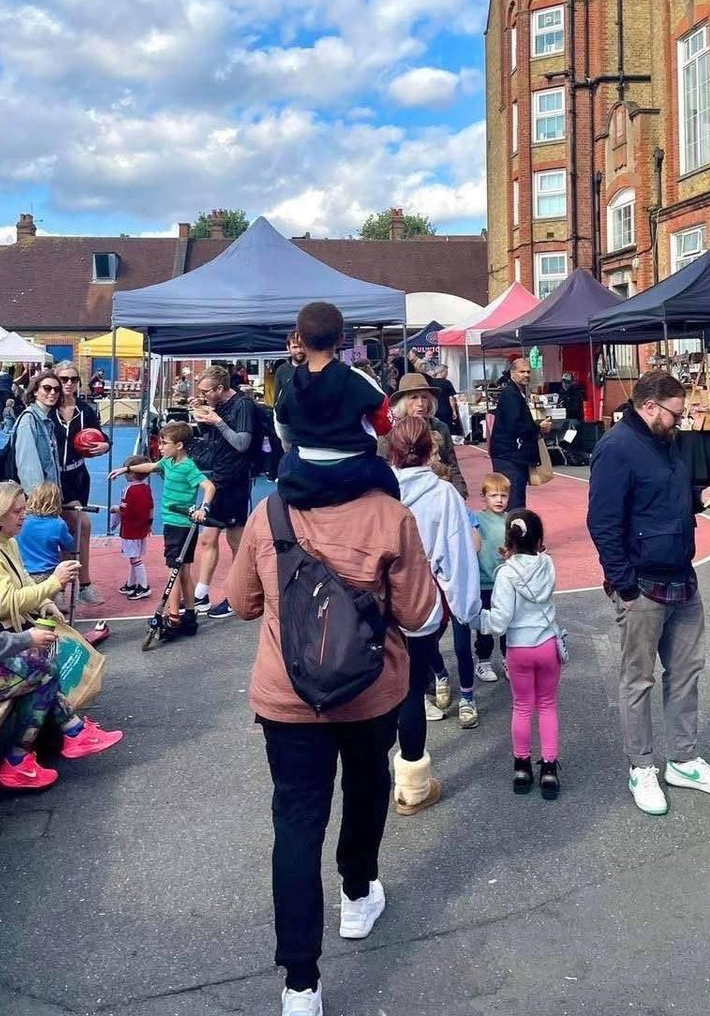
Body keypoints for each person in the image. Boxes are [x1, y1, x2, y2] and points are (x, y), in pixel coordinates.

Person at [226, 440, 440, 1016]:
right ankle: (357, 890)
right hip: (370, 690)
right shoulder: (389, 515)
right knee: (367, 785)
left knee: (295, 824)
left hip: (287, 694)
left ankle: (300, 984)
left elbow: (241, 602)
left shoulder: (269, 513)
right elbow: (421, 614)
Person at [586, 370, 710, 817]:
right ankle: (641, 767)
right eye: (676, 413)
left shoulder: (666, 441)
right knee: (638, 680)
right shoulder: (615, 448)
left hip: (680, 575)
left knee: (687, 672)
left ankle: (684, 760)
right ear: (650, 406)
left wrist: (700, 496)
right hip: (642, 584)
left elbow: (664, 496)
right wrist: (626, 587)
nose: (681, 422)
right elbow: (603, 524)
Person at [0, 496, 121, 792]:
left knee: (38, 664)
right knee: (43, 668)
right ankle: (21, 760)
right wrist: (27, 638)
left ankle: (73, 732)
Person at [391, 417, 481, 745]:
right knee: (413, 688)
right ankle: (413, 774)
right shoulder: (444, 494)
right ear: (430, 451)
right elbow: (458, 556)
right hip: (423, 600)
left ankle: (386, 774)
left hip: (383, 599)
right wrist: (466, 607)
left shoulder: (380, 491)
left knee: (390, 688)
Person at [471, 508, 562, 798]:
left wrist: (475, 617)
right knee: (547, 705)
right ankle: (549, 768)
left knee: (522, 707)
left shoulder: (506, 574)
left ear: (507, 541)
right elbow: (535, 559)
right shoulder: (548, 564)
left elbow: (498, 622)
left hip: (519, 649)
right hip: (548, 644)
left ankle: (521, 766)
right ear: (539, 540)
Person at [273, 304, 398, 510]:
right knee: (394, 491)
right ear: (341, 339)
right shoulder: (360, 380)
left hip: (303, 471)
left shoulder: (289, 384)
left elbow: (282, 429)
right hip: (355, 471)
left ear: (300, 339)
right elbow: (385, 425)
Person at [108, 423, 214, 638]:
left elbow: (209, 486)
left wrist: (204, 507)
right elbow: (149, 467)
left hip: (180, 525)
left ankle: (173, 618)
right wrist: (126, 469)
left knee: (173, 572)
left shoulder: (187, 467)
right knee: (183, 571)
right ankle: (190, 615)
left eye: (165, 443)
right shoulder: (168, 462)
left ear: (180, 445)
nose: (161, 446)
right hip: (174, 524)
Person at [188, 366, 256, 620]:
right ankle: (201, 594)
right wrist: (203, 417)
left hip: (235, 480)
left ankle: (240, 593)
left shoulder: (243, 406)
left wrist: (217, 420)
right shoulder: (219, 405)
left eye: (206, 391)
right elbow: (212, 436)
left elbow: (241, 443)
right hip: (218, 477)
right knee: (209, 538)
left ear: (220, 389)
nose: (202, 394)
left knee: (236, 541)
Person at [0, 482, 78, 631]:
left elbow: (24, 577)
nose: (24, 516)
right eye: (17, 511)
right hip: (2, 632)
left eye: (25, 509)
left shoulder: (10, 542)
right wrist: (54, 582)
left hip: (17, 624)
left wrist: (45, 603)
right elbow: (5, 604)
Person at [51, 361, 108, 606]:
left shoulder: (85, 410)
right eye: (63, 379)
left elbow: (102, 438)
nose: (68, 383)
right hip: (52, 478)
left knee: (78, 528)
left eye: (73, 379)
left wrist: (104, 445)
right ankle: (64, 586)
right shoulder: (44, 409)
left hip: (77, 476)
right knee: (72, 528)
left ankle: (80, 585)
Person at [379, 373, 468, 499]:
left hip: (439, 493)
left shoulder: (440, 427)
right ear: (403, 402)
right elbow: (383, 468)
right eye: (414, 397)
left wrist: (460, 495)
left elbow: (452, 466)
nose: (420, 403)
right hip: (403, 494)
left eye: (424, 397)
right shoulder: (390, 430)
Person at [490, 355, 552, 510]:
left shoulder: (515, 393)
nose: (526, 375)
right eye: (522, 372)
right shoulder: (511, 394)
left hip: (512, 455)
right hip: (510, 456)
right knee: (513, 501)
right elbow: (515, 425)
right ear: (512, 373)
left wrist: (536, 425)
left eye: (528, 372)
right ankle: (513, 531)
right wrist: (538, 428)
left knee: (514, 498)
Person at [473, 472, 510, 682]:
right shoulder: (477, 519)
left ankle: (508, 658)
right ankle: (483, 661)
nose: (499, 500)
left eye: (503, 496)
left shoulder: (512, 519)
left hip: (505, 583)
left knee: (507, 624)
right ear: (484, 497)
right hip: (484, 582)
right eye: (494, 495)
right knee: (485, 625)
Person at [17, 483, 76, 608]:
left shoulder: (23, 521)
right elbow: (69, 546)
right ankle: (60, 593)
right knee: (66, 558)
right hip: (48, 573)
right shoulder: (58, 524)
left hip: (25, 572)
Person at [110, 454, 153, 600]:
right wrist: (149, 524)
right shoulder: (147, 488)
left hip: (130, 530)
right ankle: (131, 584)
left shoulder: (128, 490)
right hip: (142, 528)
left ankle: (143, 586)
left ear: (132, 473)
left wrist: (114, 509)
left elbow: (124, 510)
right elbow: (150, 508)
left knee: (135, 559)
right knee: (134, 558)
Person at [13, 371, 63, 494]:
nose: (53, 392)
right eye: (47, 388)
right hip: (39, 497)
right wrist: (37, 497)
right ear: (35, 391)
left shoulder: (46, 419)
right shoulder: (29, 419)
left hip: (49, 493)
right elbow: (28, 465)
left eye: (56, 389)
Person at [273, 331, 307, 405]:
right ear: (288, 348)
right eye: (295, 347)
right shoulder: (282, 370)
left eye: (302, 346)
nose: (299, 350)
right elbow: (277, 400)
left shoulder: (316, 367)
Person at [430, 365, 460, 435]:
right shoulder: (447, 383)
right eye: (446, 372)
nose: (447, 374)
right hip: (445, 411)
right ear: (441, 371)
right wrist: (454, 411)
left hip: (434, 410)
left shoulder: (430, 383)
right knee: (446, 430)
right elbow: (451, 398)